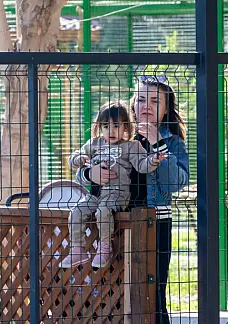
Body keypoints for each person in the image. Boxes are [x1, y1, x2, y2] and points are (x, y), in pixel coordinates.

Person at [75, 75, 190, 324]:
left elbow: (176, 182)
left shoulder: (171, 139)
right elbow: (84, 165)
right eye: (141, 99)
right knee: (117, 294)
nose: (146, 107)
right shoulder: (116, 132)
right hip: (114, 222)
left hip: (154, 225)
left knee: (152, 295)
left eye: (155, 101)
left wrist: (157, 145)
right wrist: (89, 173)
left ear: (166, 109)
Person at [60, 101, 167, 269]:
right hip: (95, 194)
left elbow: (142, 165)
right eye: (106, 126)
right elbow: (74, 158)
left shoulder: (131, 146)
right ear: (99, 127)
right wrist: (79, 159)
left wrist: (154, 159)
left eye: (116, 126)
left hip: (117, 194)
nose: (111, 131)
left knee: (103, 211)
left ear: (126, 127)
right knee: (77, 211)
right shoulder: (94, 144)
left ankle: (104, 248)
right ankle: (77, 249)